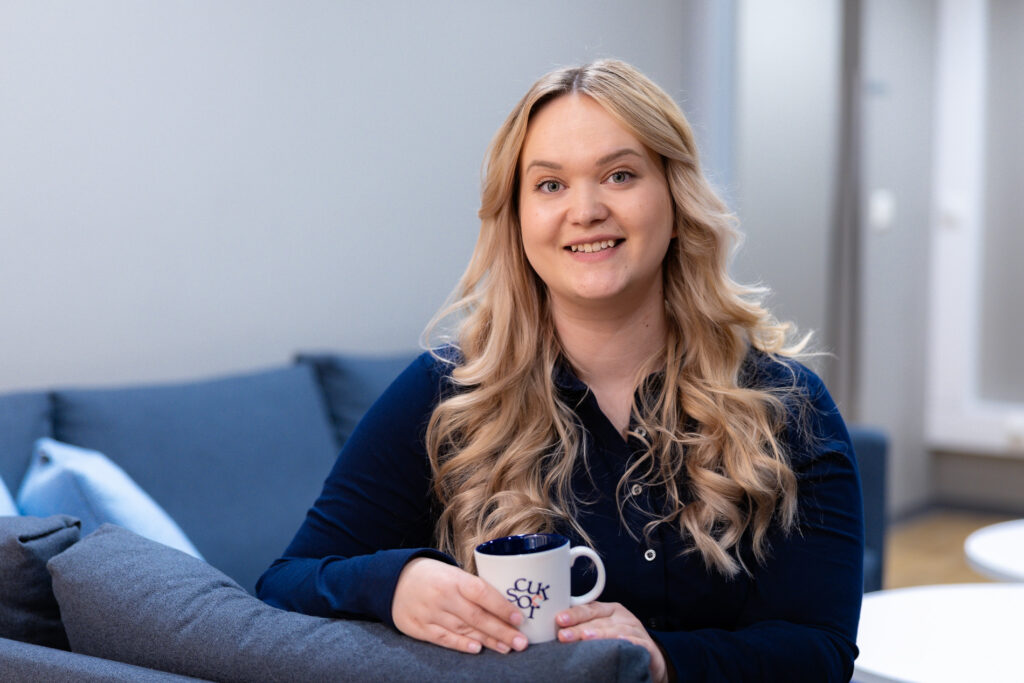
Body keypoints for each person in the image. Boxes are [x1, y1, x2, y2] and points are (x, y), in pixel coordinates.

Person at [257, 59, 863, 682]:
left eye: (620, 175)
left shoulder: (785, 404)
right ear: (517, 218)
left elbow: (819, 650)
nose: (586, 210)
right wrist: (395, 584)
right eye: (550, 185)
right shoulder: (445, 394)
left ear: (675, 197)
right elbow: (284, 584)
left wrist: (662, 661)